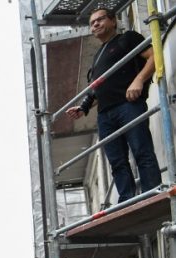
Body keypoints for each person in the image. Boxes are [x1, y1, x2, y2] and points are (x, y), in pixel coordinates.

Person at [66, 8, 161, 203]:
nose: (95, 25)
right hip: (105, 115)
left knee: (141, 150)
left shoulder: (128, 38)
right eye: (92, 23)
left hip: (128, 105)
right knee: (117, 162)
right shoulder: (98, 55)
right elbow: (97, 89)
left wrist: (139, 80)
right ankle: (127, 200)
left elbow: (154, 56)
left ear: (113, 21)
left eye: (100, 20)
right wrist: (84, 107)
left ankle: (152, 193)